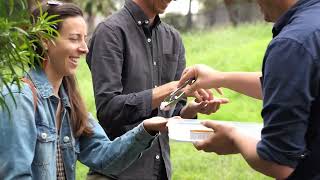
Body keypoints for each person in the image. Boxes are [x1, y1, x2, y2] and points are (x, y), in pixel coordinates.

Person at [0, 2, 171, 180]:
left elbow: (105, 157)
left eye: (84, 38)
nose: (84, 48)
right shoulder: (20, 98)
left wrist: (146, 129)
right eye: (74, 39)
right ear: (45, 40)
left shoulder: (69, 102)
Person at [86, 0, 228, 179]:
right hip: (117, 173)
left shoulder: (173, 37)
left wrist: (190, 110)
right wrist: (171, 88)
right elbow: (108, 110)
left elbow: (170, 109)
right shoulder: (110, 32)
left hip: (158, 170)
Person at [178, 0, 320, 179]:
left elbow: (279, 163)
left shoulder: (292, 43)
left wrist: (234, 138)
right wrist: (220, 78)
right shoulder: (312, 28)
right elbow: (292, 85)